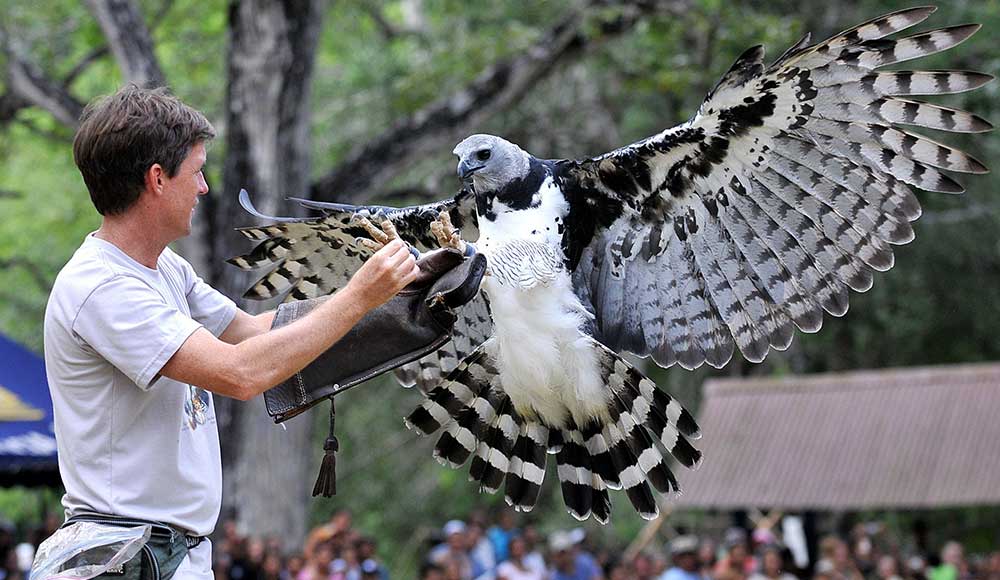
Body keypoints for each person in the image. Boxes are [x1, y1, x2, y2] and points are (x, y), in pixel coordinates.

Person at [44, 84, 419, 579]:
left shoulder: (164, 268)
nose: (203, 188)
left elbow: (254, 331)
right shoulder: (102, 287)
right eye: (196, 171)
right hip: (126, 555)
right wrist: (360, 297)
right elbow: (240, 373)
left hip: (171, 551)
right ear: (157, 179)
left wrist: (396, 296)